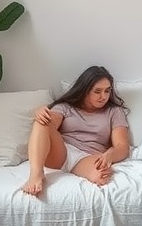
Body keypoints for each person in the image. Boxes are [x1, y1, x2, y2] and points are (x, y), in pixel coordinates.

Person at [22, 65, 130, 196]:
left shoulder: (114, 112)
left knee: (101, 177)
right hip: (61, 152)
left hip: (87, 157)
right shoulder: (66, 107)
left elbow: (122, 147)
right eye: (97, 91)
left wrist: (109, 155)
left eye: (107, 91)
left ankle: (87, 170)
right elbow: (48, 125)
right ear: (85, 90)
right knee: (42, 121)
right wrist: (39, 111)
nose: (103, 96)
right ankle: (36, 174)